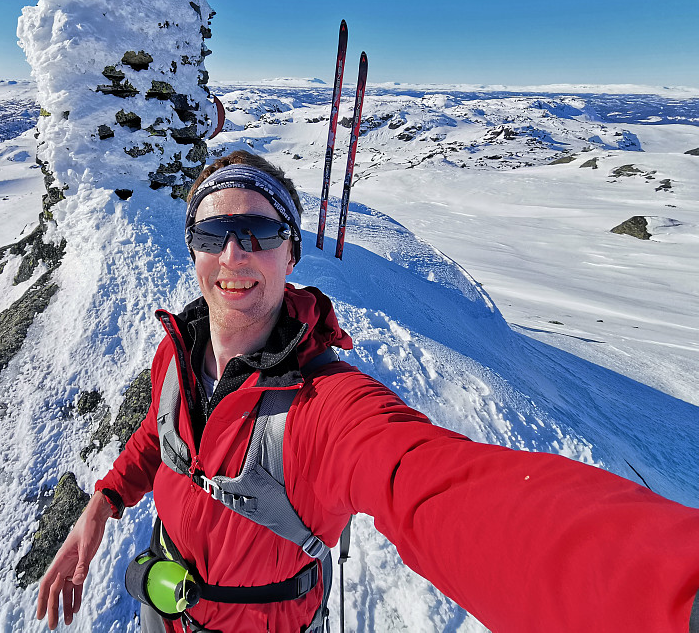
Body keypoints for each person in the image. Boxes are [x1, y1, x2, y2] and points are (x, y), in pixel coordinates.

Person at [36, 150, 699, 632]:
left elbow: (432, 482)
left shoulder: (326, 408)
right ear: (192, 250)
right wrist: (106, 500)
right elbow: (161, 433)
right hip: (169, 608)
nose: (234, 254)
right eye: (213, 234)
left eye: (261, 233)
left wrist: (665, 594)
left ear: (291, 255)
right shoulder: (176, 352)